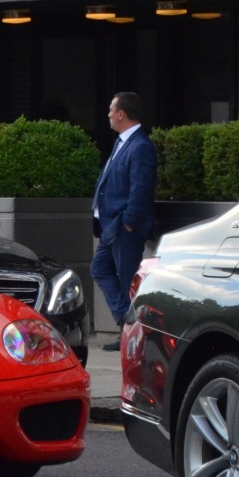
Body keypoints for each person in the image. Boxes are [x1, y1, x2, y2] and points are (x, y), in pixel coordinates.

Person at [91, 92, 157, 351]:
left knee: (128, 280)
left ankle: (133, 334)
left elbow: (141, 189)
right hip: (111, 226)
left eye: (111, 109)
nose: (108, 114)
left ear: (121, 113)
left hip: (124, 227)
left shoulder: (140, 145)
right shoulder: (122, 142)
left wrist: (128, 221)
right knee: (99, 269)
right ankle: (127, 322)